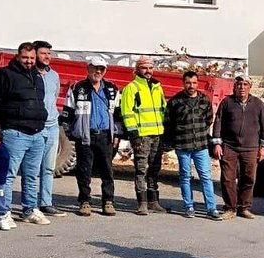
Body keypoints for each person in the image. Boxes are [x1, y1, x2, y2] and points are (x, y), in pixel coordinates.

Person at [0, 42, 49, 226]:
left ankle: (29, 209)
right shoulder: (4, 75)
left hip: (37, 134)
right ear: (17, 56)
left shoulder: (37, 76)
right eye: (25, 58)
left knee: (31, 175)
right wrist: (1, 126)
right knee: (8, 175)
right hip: (14, 133)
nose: (29, 61)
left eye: (31, 58)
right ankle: (3, 212)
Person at [61, 56, 122, 217]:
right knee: (84, 171)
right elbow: (67, 113)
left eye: (102, 69)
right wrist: (70, 133)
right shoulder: (77, 88)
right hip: (85, 137)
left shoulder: (111, 89)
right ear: (88, 69)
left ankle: (108, 201)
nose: (98, 71)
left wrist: (116, 134)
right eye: (95, 68)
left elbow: (118, 114)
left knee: (107, 171)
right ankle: (85, 201)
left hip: (105, 137)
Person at [164, 71, 222, 220]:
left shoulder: (204, 100)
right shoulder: (175, 102)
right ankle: (188, 206)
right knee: (185, 176)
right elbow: (168, 122)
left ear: (198, 83)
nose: (191, 86)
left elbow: (209, 119)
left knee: (206, 177)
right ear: (184, 83)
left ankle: (211, 208)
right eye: (188, 83)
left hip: (201, 146)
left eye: (194, 83)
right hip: (183, 146)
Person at [211, 75, 264, 220]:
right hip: (229, 146)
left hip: (251, 148)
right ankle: (230, 208)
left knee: (249, 178)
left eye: (245, 84)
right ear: (234, 87)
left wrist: (263, 147)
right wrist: (217, 144)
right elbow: (218, 123)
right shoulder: (226, 102)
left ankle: (244, 207)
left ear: (250, 87)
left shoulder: (257, 104)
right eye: (239, 84)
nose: (242, 87)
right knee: (227, 179)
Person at [120, 56, 167, 215]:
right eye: (144, 68)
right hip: (142, 136)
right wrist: (134, 135)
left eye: (150, 68)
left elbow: (163, 109)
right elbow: (127, 112)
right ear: (137, 69)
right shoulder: (132, 88)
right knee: (141, 169)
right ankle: (142, 203)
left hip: (157, 135)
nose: (148, 71)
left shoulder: (157, 87)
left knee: (155, 169)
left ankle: (154, 201)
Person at [34, 40, 66, 217]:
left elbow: (54, 97)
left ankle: (46, 203)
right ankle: (29, 204)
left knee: (48, 167)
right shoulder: (30, 74)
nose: (47, 57)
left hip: (52, 125)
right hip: (34, 127)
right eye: (43, 53)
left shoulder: (54, 75)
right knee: (31, 169)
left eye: (49, 53)